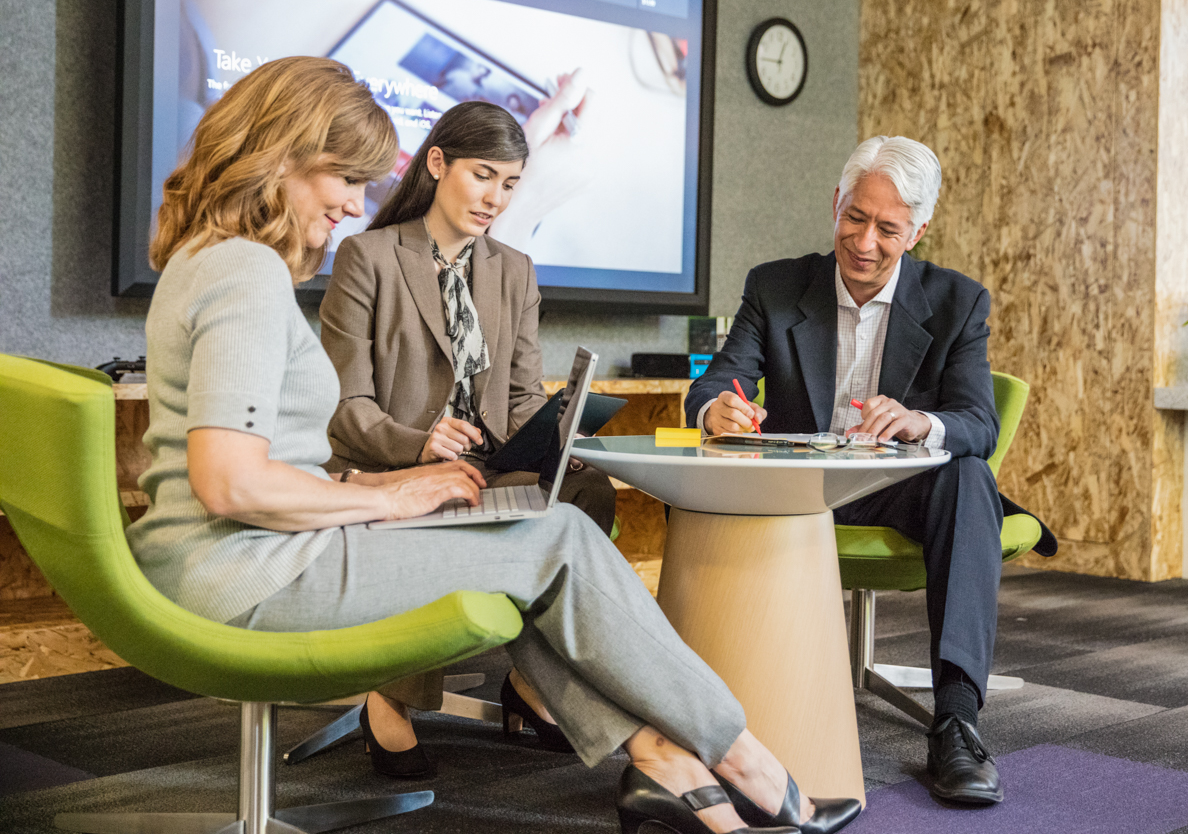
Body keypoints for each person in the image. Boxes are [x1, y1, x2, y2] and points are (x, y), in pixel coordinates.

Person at [128, 56, 859, 834]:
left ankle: (666, 761)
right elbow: (230, 483)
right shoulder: (246, 272)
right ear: (281, 152)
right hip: (246, 573)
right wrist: (391, 487)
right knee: (560, 540)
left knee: (536, 541)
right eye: (345, 178)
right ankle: (746, 760)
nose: (352, 203)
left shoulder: (209, 259)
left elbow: (240, 469)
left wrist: (382, 494)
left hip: (232, 559)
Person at [686, 136, 1057, 807]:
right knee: (697, 479)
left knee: (969, 475)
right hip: (798, 486)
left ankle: (956, 721)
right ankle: (698, 708)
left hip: (893, 489)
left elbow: (978, 421)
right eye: (854, 217)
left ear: (918, 230)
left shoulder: (957, 302)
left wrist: (921, 422)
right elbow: (719, 381)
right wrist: (717, 409)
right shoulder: (775, 285)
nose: (864, 241)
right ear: (835, 204)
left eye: (887, 228)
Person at [318, 99, 617, 534]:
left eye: (510, 184)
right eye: (483, 175)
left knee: (589, 486)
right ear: (437, 163)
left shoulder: (516, 270)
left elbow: (521, 398)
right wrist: (421, 443)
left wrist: (559, 441)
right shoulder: (367, 256)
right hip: (397, 466)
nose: (495, 199)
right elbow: (346, 404)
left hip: (486, 468)